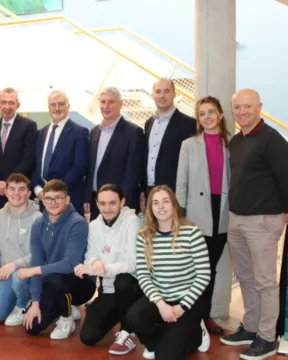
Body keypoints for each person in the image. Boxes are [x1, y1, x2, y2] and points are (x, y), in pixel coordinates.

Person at [220, 89, 288, 360]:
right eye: (237, 107)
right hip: (237, 219)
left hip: (263, 221)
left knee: (264, 282)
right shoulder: (236, 140)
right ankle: (250, 327)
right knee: (246, 278)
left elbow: (286, 178)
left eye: (248, 106)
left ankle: (267, 337)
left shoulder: (273, 141)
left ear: (259, 107)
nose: (242, 112)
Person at [125, 185, 211, 360]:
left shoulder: (192, 232)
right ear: (150, 208)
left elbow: (204, 275)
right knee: (133, 318)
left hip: (188, 300)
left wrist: (181, 307)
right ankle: (158, 340)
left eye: (165, 201)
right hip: (161, 298)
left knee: (165, 356)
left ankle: (197, 333)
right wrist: (160, 304)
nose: (161, 207)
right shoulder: (144, 236)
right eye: (155, 203)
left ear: (173, 205)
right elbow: (143, 274)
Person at [176, 96, 230, 335]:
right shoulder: (189, 145)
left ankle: (205, 315)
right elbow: (181, 184)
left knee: (212, 267)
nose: (207, 117)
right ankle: (194, 316)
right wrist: (181, 216)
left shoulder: (231, 144)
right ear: (198, 120)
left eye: (211, 112)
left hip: (224, 211)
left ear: (220, 115)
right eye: (202, 114)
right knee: (197, 268)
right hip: (197, 212)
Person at [21, 179, 95, 340]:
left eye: (58, 198)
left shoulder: (78, 223)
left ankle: (67, 317)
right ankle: (64, 305)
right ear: (43, 200)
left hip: (81, 283)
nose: (53, 203)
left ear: (67, 200)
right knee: (32, 327)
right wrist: (35, 302)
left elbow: (70, 264)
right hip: (54, 280)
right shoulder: (38, 224)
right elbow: (37, 262)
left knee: (57, 277)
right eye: (48, 198)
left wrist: (34, 271)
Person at [76, 184, 142, 355]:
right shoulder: (94, 225)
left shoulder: (132, 221)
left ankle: (129, 332)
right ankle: (122, 313)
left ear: (122, 202)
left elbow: (131, 264)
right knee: (88, 337)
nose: (107, 208)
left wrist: (97, 269)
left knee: (123, 279)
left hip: (132, 288)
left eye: (112, 203)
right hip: (108, 289)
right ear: (97, 204)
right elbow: (90, 255)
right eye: (102, 203)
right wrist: (95, 260)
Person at [0, 173, 40, 326]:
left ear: (28, 194)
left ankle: (23, 305)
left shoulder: (38, 218)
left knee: (18, 277)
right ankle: (16, 298)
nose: (16, 193)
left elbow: (40, 254)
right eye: (12, 189)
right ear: (6, 192)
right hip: (6, 274)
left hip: (29, 273)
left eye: (21, 189)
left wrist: (15, 265)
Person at [84, 87, 144, 218]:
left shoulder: (133, 132)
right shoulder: (94, 131)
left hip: (120, 203)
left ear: (120, 104)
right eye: (103, 102)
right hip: (97, 202)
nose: (106, 106)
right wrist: (88, 196)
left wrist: (122, 200)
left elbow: (133, 171)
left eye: (111, 102)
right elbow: (91, 167)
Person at [140, 78, 195, 212]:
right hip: (150, 193)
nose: (162, 96)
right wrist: (142, 191)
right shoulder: (149, 123)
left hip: (174, 195)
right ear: (153, 94)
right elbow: (145, 159)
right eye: (158, 92)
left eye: (166, 91)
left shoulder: (189, 124)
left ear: (174, 94)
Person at [32, 90, 89, 215]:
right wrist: (38, 189)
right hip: (44, 200)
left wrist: (56, 191)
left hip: (68, 198)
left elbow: (79, 166)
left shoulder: (80, 132)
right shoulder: (41, 133)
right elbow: (36, 164)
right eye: (53, 105)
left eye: (61, 104)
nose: (57, 108)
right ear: (48, 108)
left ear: (68, 106)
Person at [0, 88, 37, 213]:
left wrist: (8, 184)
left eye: (11, 102)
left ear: (17, 105)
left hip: (17, 192)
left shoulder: (29, 126)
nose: (7, 106)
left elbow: (29, 159)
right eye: (4, 102)